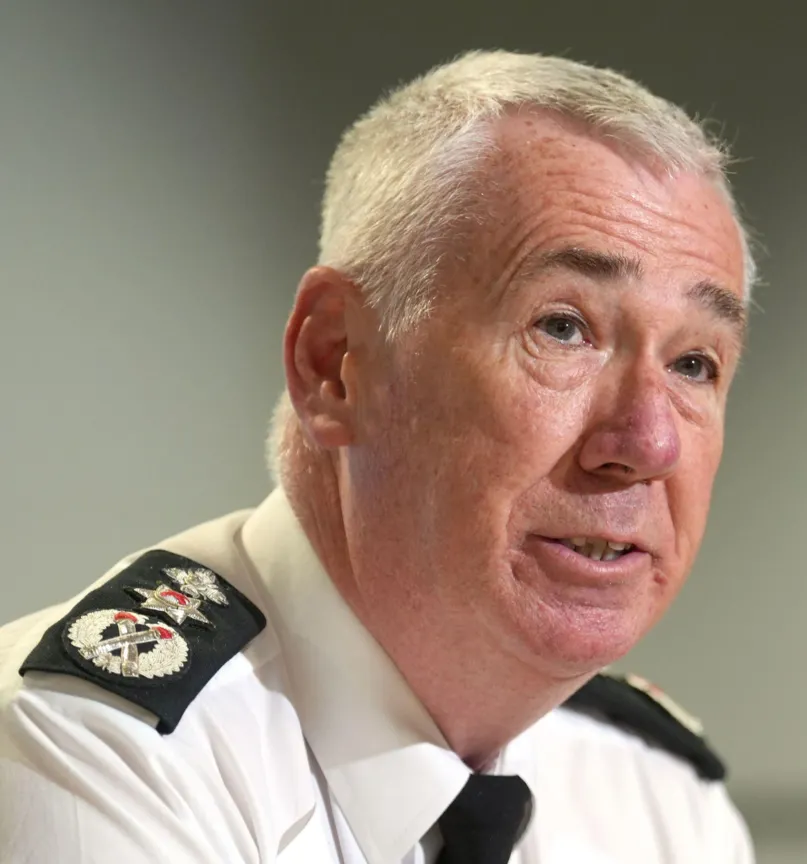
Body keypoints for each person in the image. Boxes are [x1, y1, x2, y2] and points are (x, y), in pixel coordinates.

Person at [0, 49, 757, 863]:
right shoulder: (92, 752)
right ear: (335, 363)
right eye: (563, 327)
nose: (647, 442)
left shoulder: (659, 795)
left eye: (693, 364)